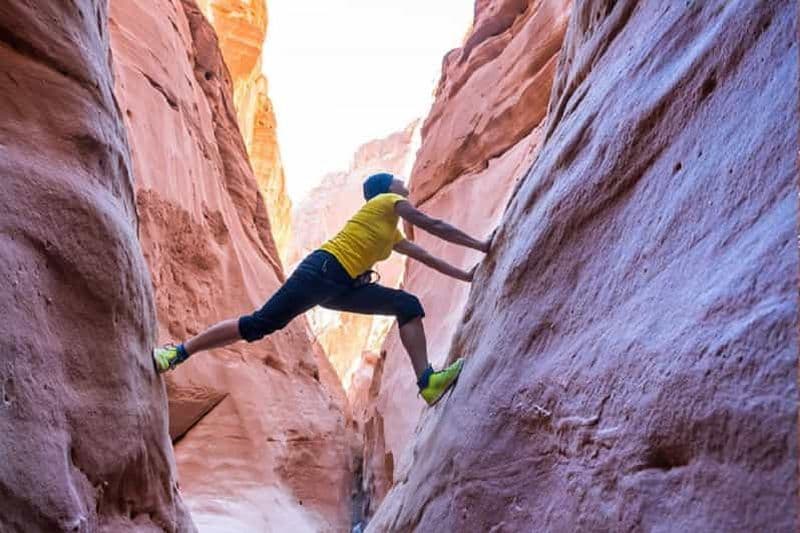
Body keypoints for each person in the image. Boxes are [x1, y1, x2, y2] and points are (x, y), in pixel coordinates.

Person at [153, 172, 491, 405]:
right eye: (397, 178)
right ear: (387, 186)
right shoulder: (386, 201)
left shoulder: (392, 234)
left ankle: (428, 383)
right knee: (258, 325)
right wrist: (482, 245)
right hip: (323, 269)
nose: (404, 182)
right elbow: (433, 226)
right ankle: (178, 352)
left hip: (339, 287)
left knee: (407, 304)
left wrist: (466, 277)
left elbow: (425, 256)